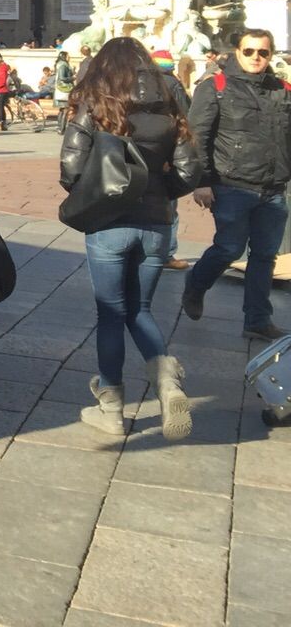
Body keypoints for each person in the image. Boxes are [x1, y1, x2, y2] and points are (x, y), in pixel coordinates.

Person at [59, 37, 202, 439]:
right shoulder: (170, 94)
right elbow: (190, 170)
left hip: (108, 222)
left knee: (110, 313)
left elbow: (70, 165)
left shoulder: (96, 95)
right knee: (140, 309)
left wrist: (94, 192)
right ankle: (167, 380)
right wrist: (157, 191)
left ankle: (111, 409)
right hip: (156, 221)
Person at [183, 28, 291, 341]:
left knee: (264, 256)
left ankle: (257, 320)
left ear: (271, 54)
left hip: (273, 188)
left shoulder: (282, 89)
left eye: (263, 52)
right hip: (232, 185)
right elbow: (197, 137)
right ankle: (196, 283)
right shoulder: (216, 86)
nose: (256, 57)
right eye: (249, 51)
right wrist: (201, 181)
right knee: (229, 248)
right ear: (237, 52)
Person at [150, 50, 192, 272]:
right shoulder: (173, 84)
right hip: (168, 149)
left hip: (146, 151)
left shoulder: (140, 82)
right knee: (169, 204)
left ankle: (147, 250)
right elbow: (186, 115)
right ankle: (166, 253)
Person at [53, 50, 75, 134]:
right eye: (68, 56)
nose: (69, 57)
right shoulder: (63, 65)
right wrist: (73, 77)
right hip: (64, 90)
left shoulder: (59, 64)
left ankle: (60, 127)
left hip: (60, 89)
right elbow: (62, 77)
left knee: (62, 110)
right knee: (65, 109)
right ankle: (62, 128)